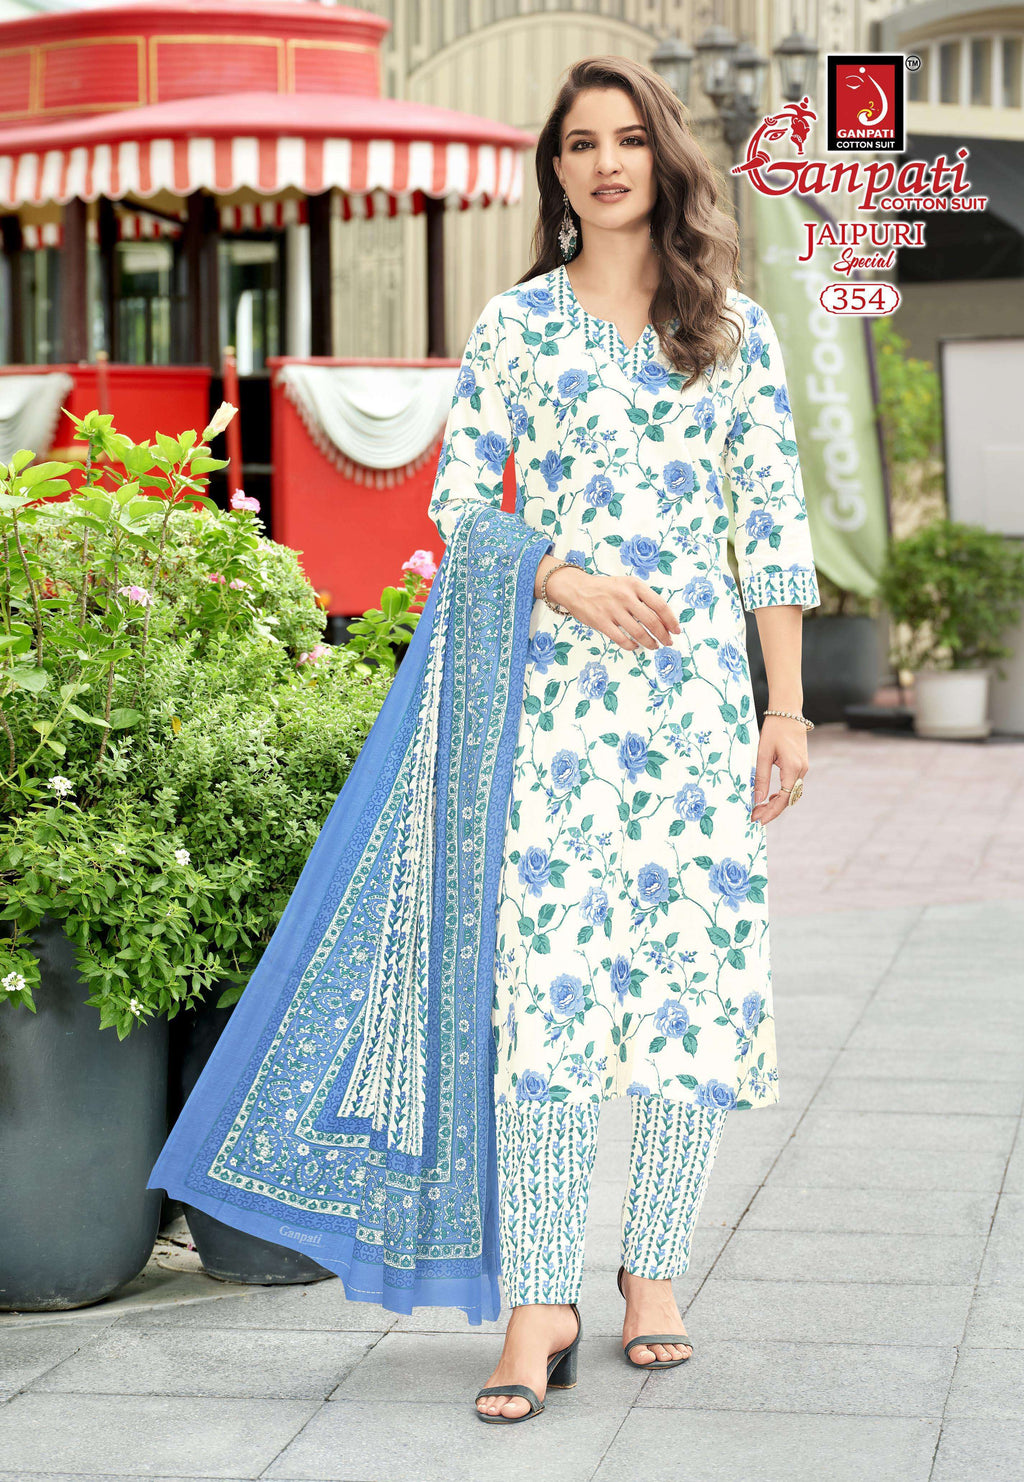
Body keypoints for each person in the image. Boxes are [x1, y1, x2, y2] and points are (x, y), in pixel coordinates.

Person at [147, 52, 818, 1429]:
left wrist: (788, 706)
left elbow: (773, 523)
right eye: (581, 144)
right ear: (556, 171)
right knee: (549, 995)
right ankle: (539, 1300)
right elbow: (460, 501)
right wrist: (561, 579)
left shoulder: (731, 332)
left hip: (696, 707)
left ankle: (652, 1269)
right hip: (554, 709)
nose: (607, 163)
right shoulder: (517, 327)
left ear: (663, 157)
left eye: (628, 139)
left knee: (687, 988)